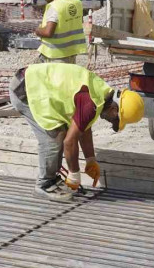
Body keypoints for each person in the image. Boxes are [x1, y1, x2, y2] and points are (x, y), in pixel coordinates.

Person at [9, 63, 145, 202]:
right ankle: (44, 184)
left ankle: (52, 179)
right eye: (115, 120)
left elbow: (84, 128)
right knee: (55, 138)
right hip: (25, 90)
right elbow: (70, 142)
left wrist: (90, 159)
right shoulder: (91, 104)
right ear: (114, 110)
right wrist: (74, 174)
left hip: (31, 83)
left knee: (63, 132)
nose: (111, 123)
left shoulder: (100, 93)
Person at [33, 0, 86, 64]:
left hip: (55, 55)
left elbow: (48, 32)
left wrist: (37, 31)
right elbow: (78, 22)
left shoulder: (54, 6)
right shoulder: (76, 2)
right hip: (72, 52)